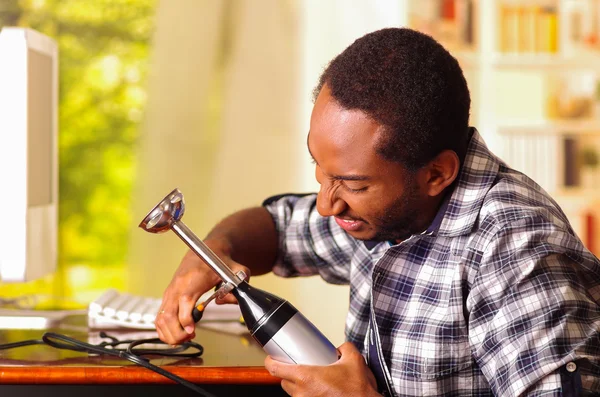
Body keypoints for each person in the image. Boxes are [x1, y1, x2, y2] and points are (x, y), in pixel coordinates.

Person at [155, 28, 600, 396]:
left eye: (352, 183)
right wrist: (213, 252)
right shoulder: (387, 210)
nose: (327, 204)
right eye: (319, 168)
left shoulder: (515, 251)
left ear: (436, 174)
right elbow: (277, 227)